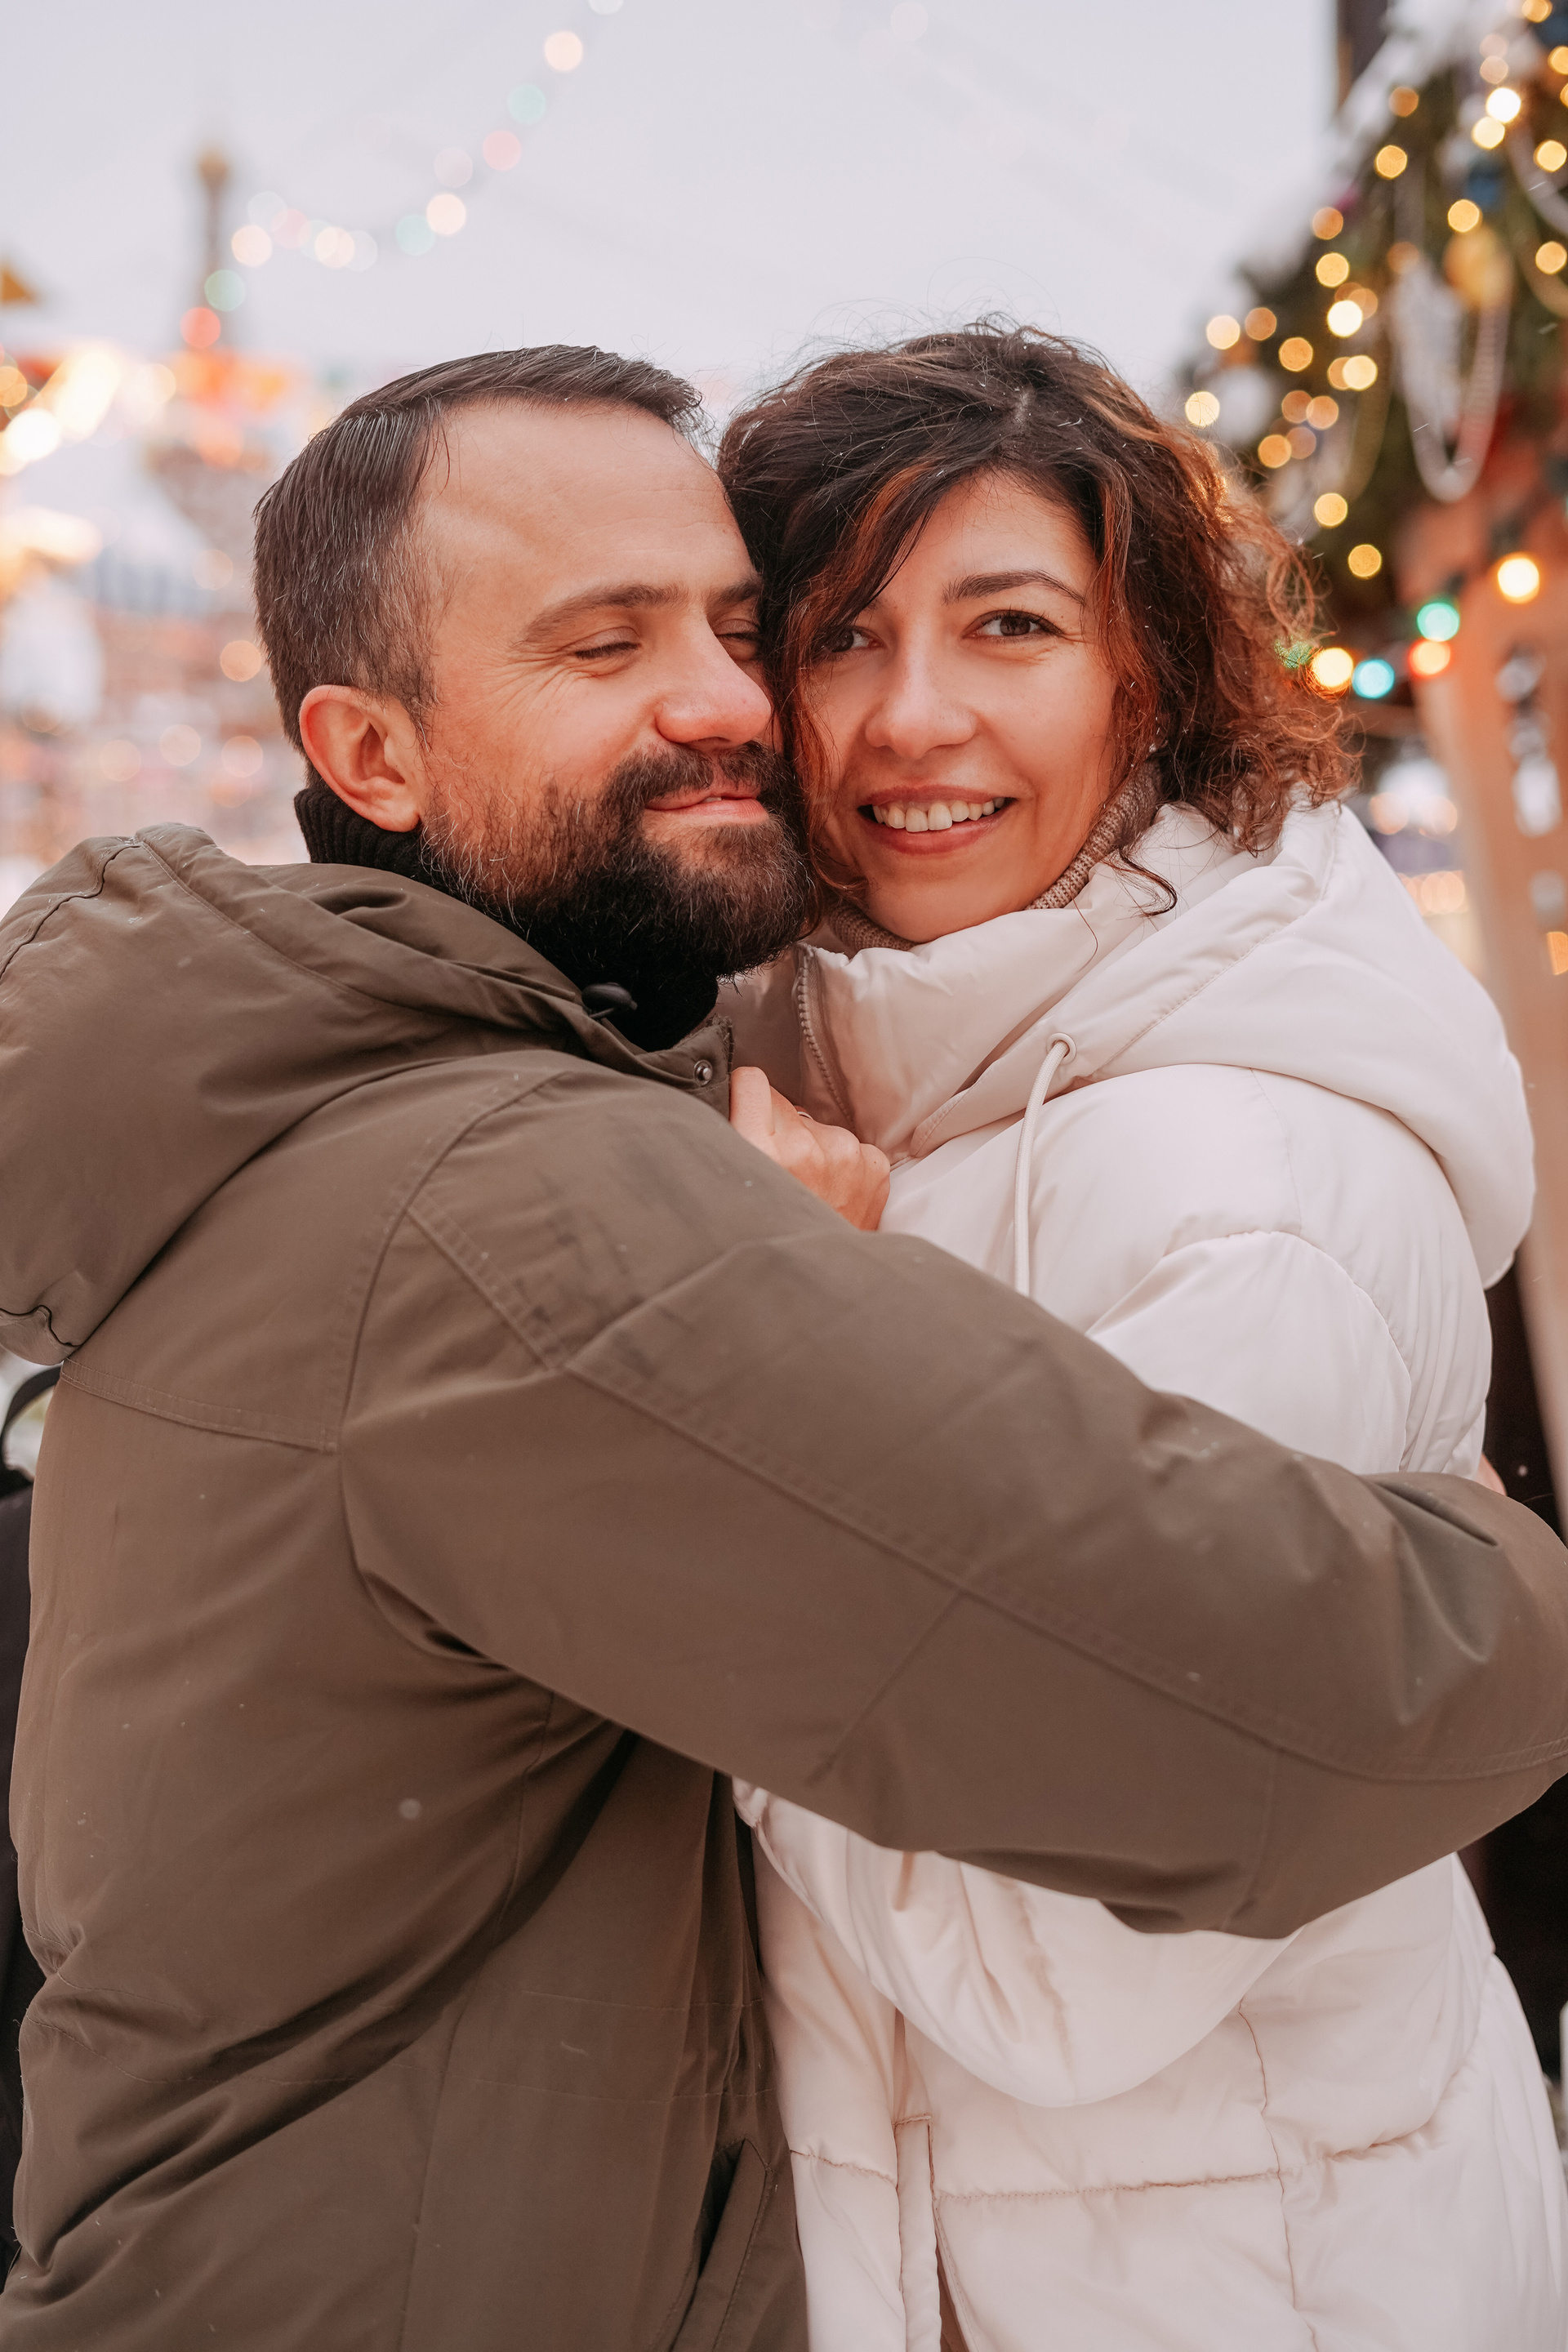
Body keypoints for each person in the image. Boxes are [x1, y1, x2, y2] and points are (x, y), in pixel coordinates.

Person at [0, 349, 1564, 2352]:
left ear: (1149, 680)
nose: (734, 703)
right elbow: (1312, 1710)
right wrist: (1505, 1565)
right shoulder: (526, 1199)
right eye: (608, 644)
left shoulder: (348, 1106)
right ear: (368, 755)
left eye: (739, 631)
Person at [716, 324, 1568, 2350]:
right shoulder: (861, 1098)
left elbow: (1062, 1964)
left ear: (1149, 675)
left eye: (1010, 626)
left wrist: (765, 1378)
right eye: (841, 638)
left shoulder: (1241, 1185)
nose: (913, 716)